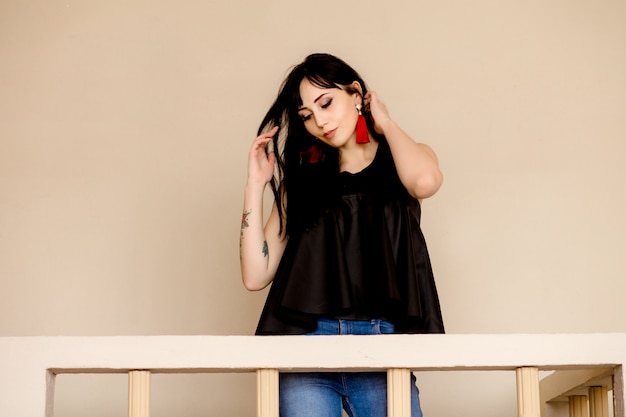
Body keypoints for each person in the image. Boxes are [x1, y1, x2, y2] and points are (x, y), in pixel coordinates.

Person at [239, 53, 444, 417]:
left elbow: (425, 182)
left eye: (326, 103)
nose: (319, 121)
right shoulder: (301, 182)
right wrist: (256, 185)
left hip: (382, 346)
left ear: (355, 94)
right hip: (307, 349)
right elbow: (256, 274)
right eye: (306, 115)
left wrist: (385, 121)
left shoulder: (402, 159)